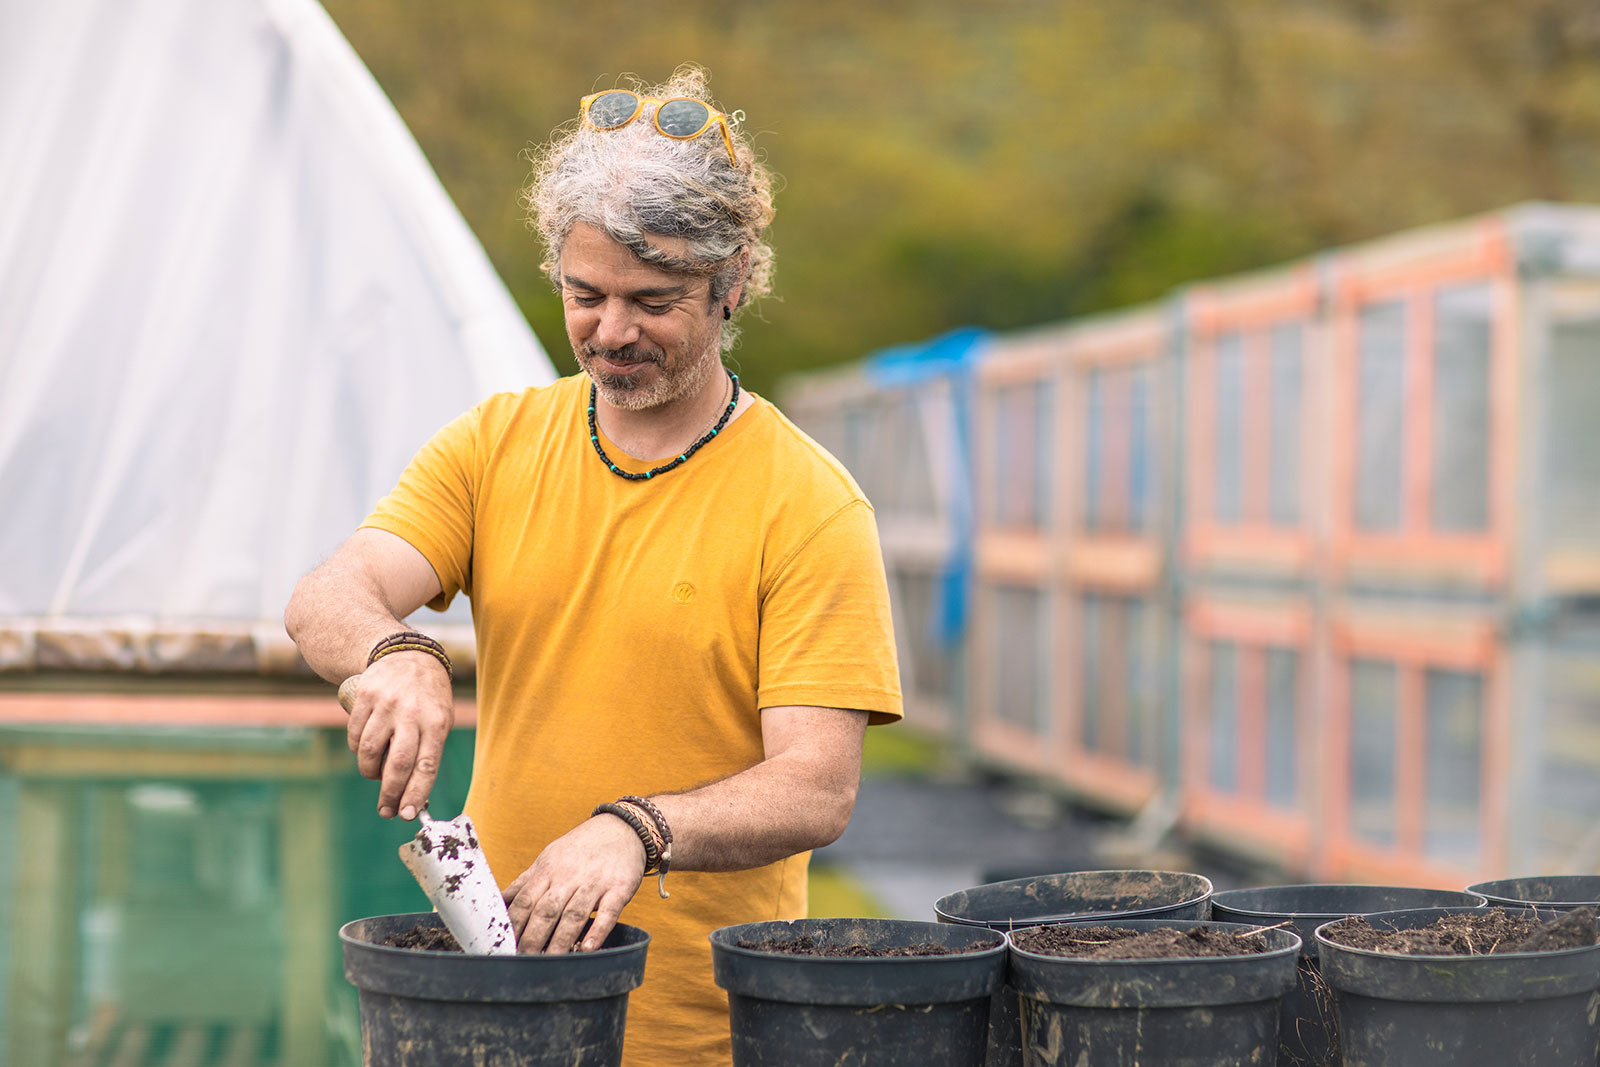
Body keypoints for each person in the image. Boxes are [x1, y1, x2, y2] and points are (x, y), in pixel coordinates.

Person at [283, 64, 902, 1065]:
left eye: (651, 300)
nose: (610, 331)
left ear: (733, 279)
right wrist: (392, 650)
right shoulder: (496, 442)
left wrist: (635, 827)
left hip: (696, 1026)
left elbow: (816, 785)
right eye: (585, 294)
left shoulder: (807, 501)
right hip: (486, 1002)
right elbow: (327, 596)